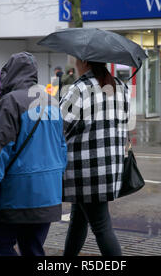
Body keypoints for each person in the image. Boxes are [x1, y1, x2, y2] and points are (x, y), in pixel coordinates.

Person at [0, 52, 67, 256]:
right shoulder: (52, 103)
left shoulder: (9, 102)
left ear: (9, 73)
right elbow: (62, 150)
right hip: (48, 193)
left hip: (17, 194)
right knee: (33, 247)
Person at [60, 59, 129, 256]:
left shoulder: (80, 88)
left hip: (85, 169)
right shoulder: (121, 87)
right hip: (111, 166)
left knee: (101, 225)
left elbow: (59, 126)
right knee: (78, 219)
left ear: (84, 62)